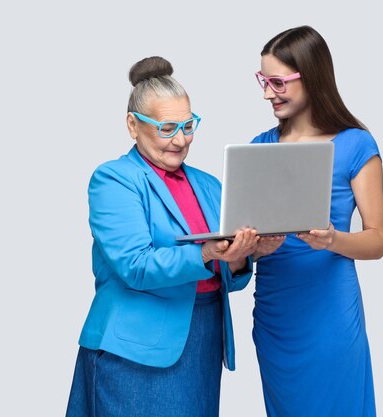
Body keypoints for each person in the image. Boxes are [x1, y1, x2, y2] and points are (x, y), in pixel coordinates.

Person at [65, 56, 261, 417]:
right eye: (167, 128)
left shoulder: (210, 186)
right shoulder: (114, 180)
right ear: (132, 125)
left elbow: (228, 277)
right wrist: (205, 254)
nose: (181, 140)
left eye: (188, 126)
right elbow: (135, 266)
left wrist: (239, 255)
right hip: (134, 351)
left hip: (201, 342)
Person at [250, 26, 383, 417]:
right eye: (263, 80)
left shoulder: (355, 144)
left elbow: (378, 240)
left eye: (278, 82)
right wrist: (248, 247)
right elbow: (251, 238)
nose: (267, 93)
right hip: (276, 314)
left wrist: (332, 240)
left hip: (329, 311)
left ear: (311, 77)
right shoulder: (260, 147)